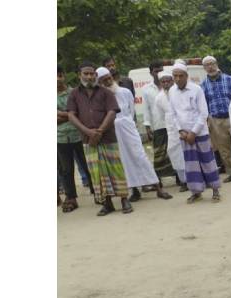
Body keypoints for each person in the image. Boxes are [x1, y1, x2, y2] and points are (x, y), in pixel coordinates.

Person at [66, 61, 132, 215]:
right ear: (79, 75)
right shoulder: (74, 94)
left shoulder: (105, 92)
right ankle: (107, 203)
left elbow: (112, 112)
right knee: (97, 173)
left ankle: (124, 200)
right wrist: (88, 133)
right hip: (89, 141)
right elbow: (71, 115)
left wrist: (100, 131)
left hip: (108, 137)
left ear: (96, 75)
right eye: (86, 74)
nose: (89, 77)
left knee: (116, 169)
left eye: (92, 74)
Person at [98, 68, 172, 202]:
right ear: (100, 83)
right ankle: (135, 191)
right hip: (113, 131)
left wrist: (128, 125)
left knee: (140, 156)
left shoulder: (125, 92)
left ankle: (158, 188)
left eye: (110, 78)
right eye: (105, 80)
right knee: (124, 162)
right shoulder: (101, 96)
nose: (109, 81)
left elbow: (131, 112)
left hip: (128, 128)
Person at [169, 61, 222, 203]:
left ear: (187, 76)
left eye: (181, 76)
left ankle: (215, 189)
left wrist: (193, 132)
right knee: (191, 165)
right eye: (175, 76)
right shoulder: (172, 91)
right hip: (184, 135)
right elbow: (173, 114)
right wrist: (181, 131)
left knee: (207, 161)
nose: (178, 79)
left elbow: (203, 113)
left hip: (200, 133)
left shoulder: (196, 89)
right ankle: (196, 191)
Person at [58, 66, 94, 212]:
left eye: (60, 75)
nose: (57, 79)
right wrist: (70, 115)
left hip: (79, 134)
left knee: (88, 165)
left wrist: (64, 115)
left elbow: (80, 112)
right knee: (66, 169)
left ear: (64, 76)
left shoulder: (74, 93)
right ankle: (71, 198)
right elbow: (72, 114)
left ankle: (97, 191)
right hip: (59, 138)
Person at [201, 55, 231, 182]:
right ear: (204, 68)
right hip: (216, 120)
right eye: (207, 65)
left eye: (212, 63)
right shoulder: (203, 85)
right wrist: (207, 121)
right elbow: (203, 104)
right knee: (224, 149)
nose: (210, 67)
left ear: (217, 64)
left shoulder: (229, 79)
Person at [140, 61, 175, 181]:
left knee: (174, 151)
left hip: (172, 124)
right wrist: (147, 126)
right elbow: (146, 109)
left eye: (161, 70)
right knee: (160, 153)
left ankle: (179, 178)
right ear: (151, 73)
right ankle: (159, 180)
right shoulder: (146, 89)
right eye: (156, 71)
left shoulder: (171, 85)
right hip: (158, 125)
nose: (159, 73)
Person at [155, 69, 188, 191]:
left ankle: (196, 178)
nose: (166, 84)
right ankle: (184, 181)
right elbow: (161, 116)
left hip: (184, 125)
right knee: (174, 153)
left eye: (168, 81)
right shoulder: (158, 98)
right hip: (171, 130)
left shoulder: (179, 92)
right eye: (163, 82)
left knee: (189, 152)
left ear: (172, 81)